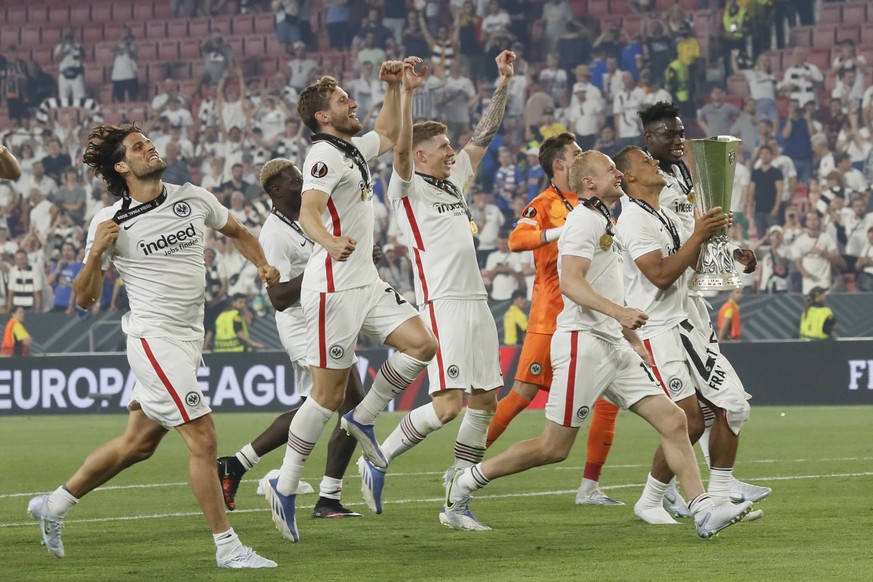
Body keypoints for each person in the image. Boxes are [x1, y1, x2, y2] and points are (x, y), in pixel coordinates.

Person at [444, 151, 753, 536]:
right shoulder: (581, 221)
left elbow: (612, 284)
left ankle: (704, 508)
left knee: (675, 420)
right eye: (610, 169)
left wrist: (630, 336)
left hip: (613, 344)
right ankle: (465, 481)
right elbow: (572, 283)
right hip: (582, 344)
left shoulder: (609, 220)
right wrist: (620, 315)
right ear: (588, 182)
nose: (617, 174)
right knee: (553, 448)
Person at [27, 123, 279, 569]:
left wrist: (263, 264)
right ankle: (228, 547)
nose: (151, 148)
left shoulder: (192, 197)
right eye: (139, 147)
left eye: (149, 142)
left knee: (138, 445)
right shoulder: (109, 223)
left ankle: (54, 505)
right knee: (203, 438)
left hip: (187, 339)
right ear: (122, 165)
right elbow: (85, 300)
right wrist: (93, 255)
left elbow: (238, 231)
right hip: (153, 339)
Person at [264, 59, 439, 543]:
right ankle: (286, 482)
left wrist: (398, 89)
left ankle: (364, 419)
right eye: (343, 100)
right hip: (333, 289)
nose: (352, 103)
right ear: (323, 116)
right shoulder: (322, 155)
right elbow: (310, 209)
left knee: (423, 345)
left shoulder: (351, 149)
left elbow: (391, 134)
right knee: (326, 395)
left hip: (366, 281)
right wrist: (327, 242)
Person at [356, 51, 514, 525]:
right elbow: (400, 148)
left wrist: (503, 81)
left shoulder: (455, 181)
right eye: (443, 147)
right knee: (447, 406)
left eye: (449, 146)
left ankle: (457, 498)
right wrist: (406, 92)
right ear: (421, 155)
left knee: (485, 399)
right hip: (442, 305)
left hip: (477, 303)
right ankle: (376, 456)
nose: (451, 151)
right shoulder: (407, 186)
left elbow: (483, 135)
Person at [217, 158, 365, 519]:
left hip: (325, 320)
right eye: (296, 181)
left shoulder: (310, 218)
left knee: (317, 406)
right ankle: (326, 497)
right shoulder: (274, 234)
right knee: (353, 404)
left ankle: (236, 464)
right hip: (301, 325)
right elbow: (278, 297)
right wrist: (326, 264)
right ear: (276, 191)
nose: (304, 184)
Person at [484, 132, 620, 505]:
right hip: (551, 316)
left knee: (609, 403)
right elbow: (516, 241)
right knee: (521, 394)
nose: (583, 157)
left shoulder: (597, 203)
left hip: (593, 318)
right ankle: (463, 463)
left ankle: (590, 487)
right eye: (576, 154)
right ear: (559, 164)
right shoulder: (543, 204)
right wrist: (563, 229)